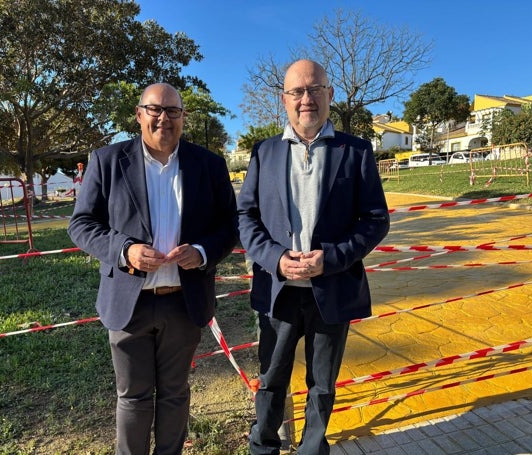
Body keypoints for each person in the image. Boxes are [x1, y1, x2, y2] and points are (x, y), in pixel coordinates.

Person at [68, 82, 238, 454]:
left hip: (184, 300)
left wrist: (203, 251)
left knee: (176, 394)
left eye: (173, 111)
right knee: (133, 398)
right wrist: (125, 250)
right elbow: (81, 224)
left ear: (183, 117)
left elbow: (230, 225)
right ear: (139, 114)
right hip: (130, 303)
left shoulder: (208, 165)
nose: (164, 118)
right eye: (155, 110)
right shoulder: (108, 161)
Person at [237, 59, 390, 455]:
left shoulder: (355, 151)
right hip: (279, 292)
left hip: (332, 289)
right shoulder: (264, 153)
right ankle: (263, 448)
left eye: (315, 89)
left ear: (330, 95)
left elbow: (375, 220)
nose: (306, 99)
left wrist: (331, 258)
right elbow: (247, 217)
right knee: (271, 380)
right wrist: (275, 258)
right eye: (297, 92)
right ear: (284, 100)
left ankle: (311, 450)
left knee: (322, 385)